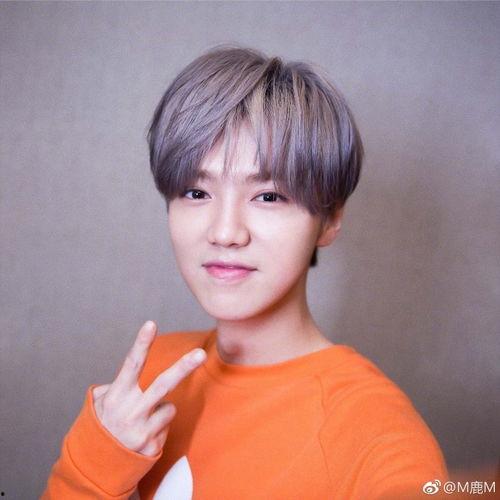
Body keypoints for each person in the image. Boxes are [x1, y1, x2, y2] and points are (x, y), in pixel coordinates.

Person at [42, 46, 448, 499]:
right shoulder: (153, 376)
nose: (225, 232)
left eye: (268, 196)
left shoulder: (376, 433)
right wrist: (95, 465)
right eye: (196, 192)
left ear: (330, 220)